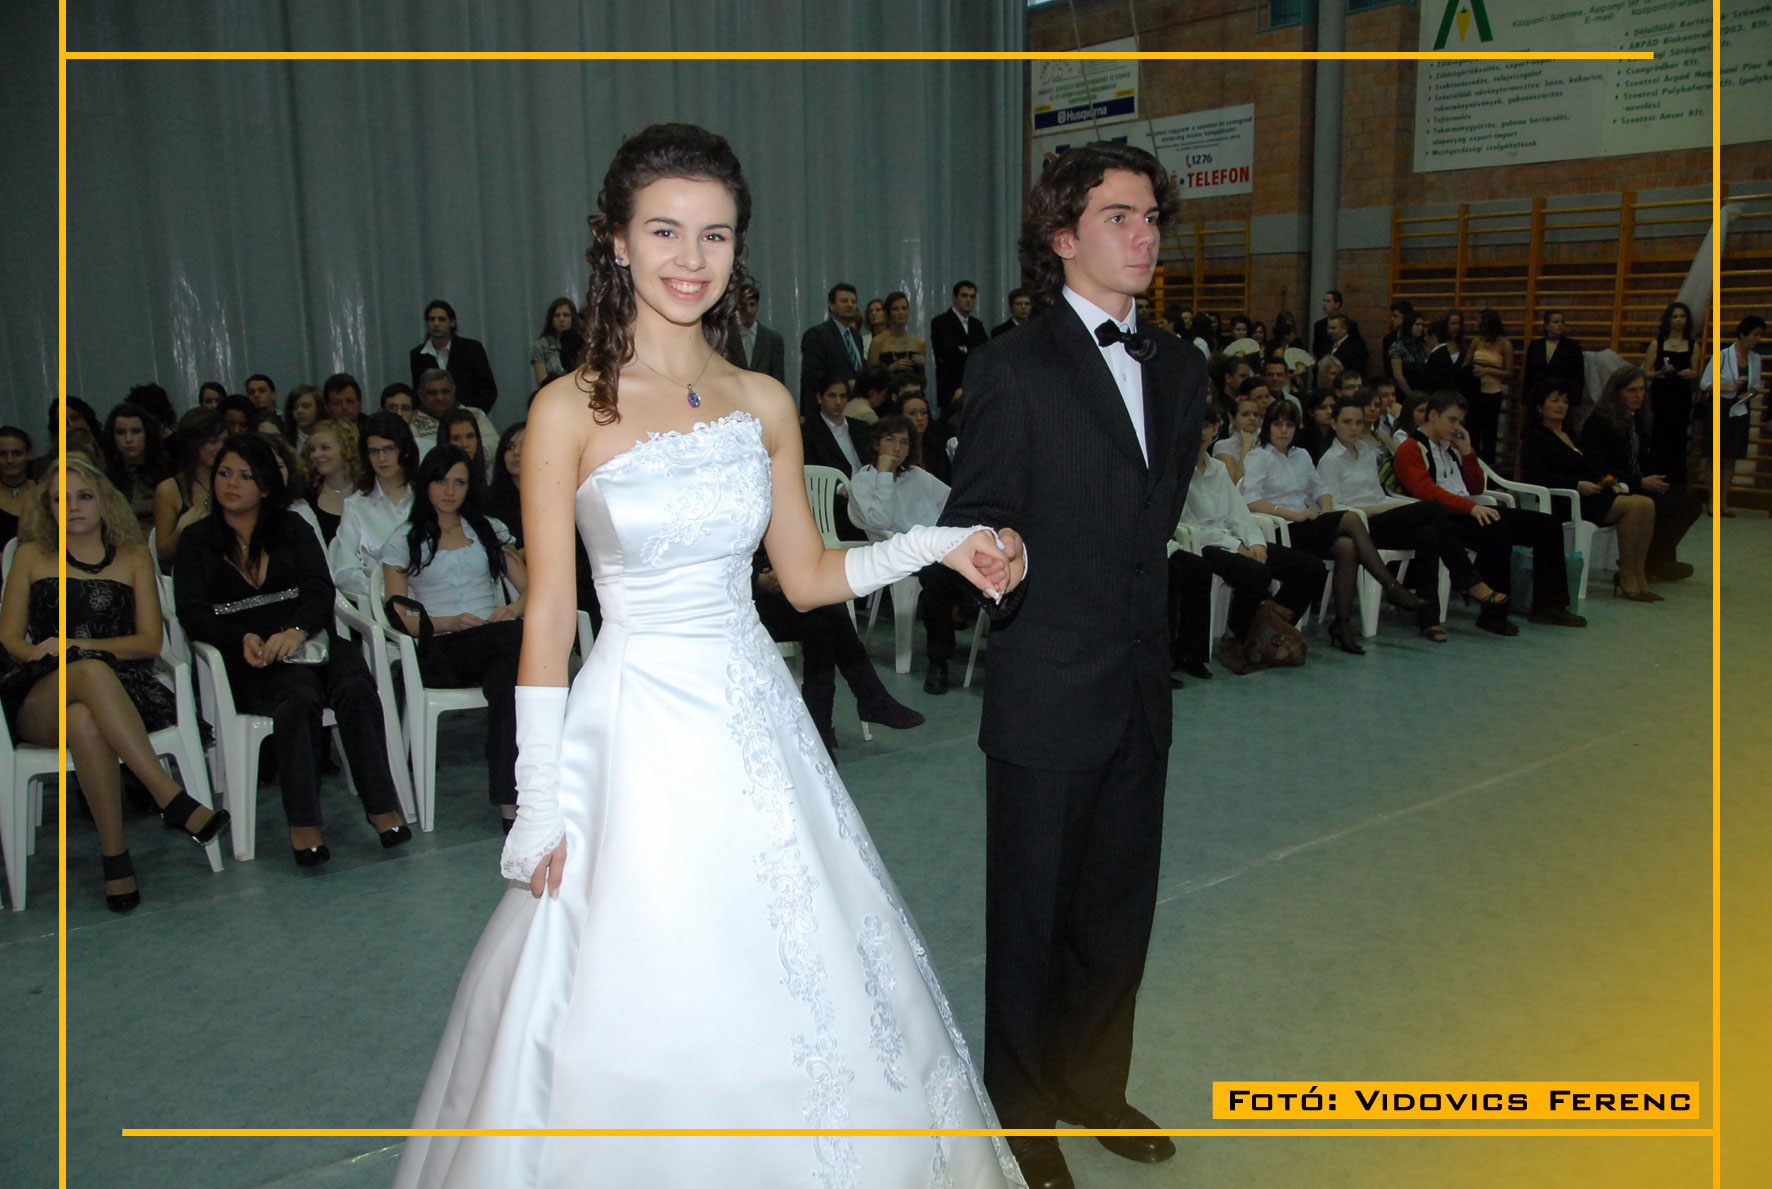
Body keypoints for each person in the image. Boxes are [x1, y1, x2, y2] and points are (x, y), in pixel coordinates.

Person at [395, 122, 1021, 1187]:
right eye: (665, 231)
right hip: (634, 724)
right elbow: (547, 615)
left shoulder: (762, 398)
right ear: (616, 242)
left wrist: (935, 543)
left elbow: (806, 575)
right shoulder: (566, 407)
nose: (691, 259)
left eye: (715, 235)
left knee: (799, 960)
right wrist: (537, 797)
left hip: (753, 719)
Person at [936, 138, 1207, 1188]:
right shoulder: (1012, 366)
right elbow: (976, 513)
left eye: (1151, 219)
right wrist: (1000, 552)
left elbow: (1151, 521)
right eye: (1117, 217)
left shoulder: (1179, 367)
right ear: (1062, 238)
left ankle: (1097, 1085)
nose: (1143, 236)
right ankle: (1022, 1111)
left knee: (1115, 912)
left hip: (1138, 684)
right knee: (1032, 918)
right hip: (1047, 684)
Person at [0, 459, 230, 911]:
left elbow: (149, 642)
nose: (73, 507)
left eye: (84, 496)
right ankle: (169, 797)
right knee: (85, 673)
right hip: (40, 689)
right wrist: (43, 653)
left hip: (120, 692)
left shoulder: (133, 557)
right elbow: (8, 638)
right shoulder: (30, 555)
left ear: (104, 501)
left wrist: (81, 647)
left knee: (84, 718)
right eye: (60, 499)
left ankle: (116, 857)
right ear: (47, 508)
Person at [172, 434, 410, 866]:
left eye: (245, 476)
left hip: (308, 639)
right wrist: (239, 639)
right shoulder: (196, 539)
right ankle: (304, 822)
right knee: (299, 693)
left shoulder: (293, 527)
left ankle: (381, 806)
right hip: (250, 656)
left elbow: (320, 588)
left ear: (265, 485)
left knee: (355, 683)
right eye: (224, 473)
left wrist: (297, 630)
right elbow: (191, 611)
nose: (231, 484)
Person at [381, 445, 526, 831]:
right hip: (441, 648)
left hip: (496, 641)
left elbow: (531, 589)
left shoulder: (487, 530)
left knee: (507, 678)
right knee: (515, 644)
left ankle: (508, 801)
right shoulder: (405, 538)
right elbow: (398, 616)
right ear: (425, 484)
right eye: (441, 481)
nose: (450, 491)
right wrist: (450, 622)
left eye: (459, 482)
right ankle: (515, 794)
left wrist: (512, 609)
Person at [1239, 400, 1424, 654]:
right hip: (1280, 528)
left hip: (1307, 524)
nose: (1283, 430)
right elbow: (1251, 500)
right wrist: (1295, 514)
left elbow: (1321, 490)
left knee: (1347, 546)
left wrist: (1327, 516)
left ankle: (1342, 623)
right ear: (1267, 426)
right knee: (1350, 518)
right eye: (1277, 424)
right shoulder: (1259, 456)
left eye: (1289, 425)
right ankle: (1392, 587)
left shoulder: (1301, 455)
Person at [1317, 396, 1506, 641]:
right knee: (1432, 508)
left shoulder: (1366, 453)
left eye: (1358, 422)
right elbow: (1334, 509)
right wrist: (1385, 509)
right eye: (1347, 422)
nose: (1354, 428)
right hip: (1358, 526)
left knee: (1427, 533)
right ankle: (1467, 580)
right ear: (1334, 424)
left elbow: (1378, 495)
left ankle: (1429, 619)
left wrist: (1395, 506)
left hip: (1380, 515)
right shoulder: (1330, 460)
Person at [1394, 391, 1586, 629]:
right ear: (1433, 415)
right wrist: (1471, 507)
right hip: (1442, 518)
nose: (1457, 427)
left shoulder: (1452, 446)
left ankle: (1549, 606)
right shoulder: (1411, 449)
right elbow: (1426, 492)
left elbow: (1476, 487)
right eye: (1452, 420)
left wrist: (1468, 452)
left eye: (1460, 421)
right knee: (1498, 530)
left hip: (1468, 508)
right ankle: (1493, 614)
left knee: (1548, 525)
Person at [1171, 416, 1325, 675]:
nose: (1201, 433)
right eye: (1195, 425)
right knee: (1257, 573)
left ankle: (1264, 630)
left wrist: (1255, 543)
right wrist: (1237, 546)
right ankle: (1237, 638)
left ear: (1215, 429)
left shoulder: (1218, 469)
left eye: (1206, 426)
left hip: (1233, 537)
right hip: (1204, 543)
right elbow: (1185, 525)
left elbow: (1238, 512)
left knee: (1312, 568)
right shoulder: (1176, 470)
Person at [848, 415, 970, 694]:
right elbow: (880, 521)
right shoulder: (862, 481)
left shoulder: (917, 476)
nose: (897, 448)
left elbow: (953, 501)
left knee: (959, 566)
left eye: (904, 442)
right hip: (898, 552)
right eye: (890, 440)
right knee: (938, 575)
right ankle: (938, 660)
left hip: (936, 548)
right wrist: (884, 475)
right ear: (876, 443)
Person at [1517, 380, 1659, 600]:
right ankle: (1627, 575)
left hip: (1591, 494)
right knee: (1633, 506)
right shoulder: (1536, 436)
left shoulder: (1570, 434)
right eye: (1554, 400)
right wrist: (1576, 485)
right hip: (1565, 499)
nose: (1561, 406)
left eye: (1565, 401)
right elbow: (1535, 475)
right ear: (1539, 406)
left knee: (1646, 504)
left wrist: (1610, 482)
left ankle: (1638, 573)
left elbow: (1592, 467)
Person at [1579, 366, 1700, 581]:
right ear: (1617, 392)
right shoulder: (1599, 421)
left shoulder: (1637, 418)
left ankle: (1655, 559)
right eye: (1632, 390)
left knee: (1689, 501)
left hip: (1637, 481)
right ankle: (1650, 562)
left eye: (1642, 389)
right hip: (1613, 485)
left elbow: (1642, 458)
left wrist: (1653, 479)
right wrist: (1640, 482)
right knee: (1665, 505)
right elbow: (1598, 467)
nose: (1639, 395)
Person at [329, 412, 419, 598]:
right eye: (373, 451)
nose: (382, 458)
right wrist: (384, 593)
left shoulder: (428, 496)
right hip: (384, 603)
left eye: (389, 449)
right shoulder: (356, 506)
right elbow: (345, 571)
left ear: (405, 449)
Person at [1698, 315, 1767, 517]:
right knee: (1715, 456)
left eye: (1760, 335)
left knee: (1731, 457)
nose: (1758, 339)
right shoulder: (1722, 356)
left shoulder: (1756, 359)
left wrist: (1750, 393)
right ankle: (1712, 500)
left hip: (1741, 408)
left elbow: (1756, 385)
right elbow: (1705, 384)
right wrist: (1730, 387)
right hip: (1721, 406)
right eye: (1755, 334)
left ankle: (1724, 501)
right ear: (1742, 334)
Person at [152, 407, 229, 570]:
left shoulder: (233, 482)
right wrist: (182, 529)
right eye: (213, 441)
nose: (221, 447)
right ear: (192, 444)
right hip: (190, 571)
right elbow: (163, 552)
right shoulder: (169, 489)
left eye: (224, 440)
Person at [1643, 301, 1703, 483]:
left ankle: (1676, 480)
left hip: (1681, 396)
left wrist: (1692, 373)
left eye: (1682, 316)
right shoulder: (1657, 344)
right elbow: (1646, 373)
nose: (1678, 320)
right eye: (1675, 316)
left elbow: (1697, 374)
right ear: (1668, 320)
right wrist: (1661, 372)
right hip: (1661, 396)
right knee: (1659, 435)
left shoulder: (1693, 345)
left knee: (1678, 437)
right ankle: (1656, 475)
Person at [410, 299, 499, 412]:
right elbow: (419, 392)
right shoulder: (418, 355)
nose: (436, 324)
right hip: (433, 417)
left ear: (452, 322)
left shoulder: (472, 349)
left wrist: (473, 415)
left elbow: (488, 390)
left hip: (468, 415)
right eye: (432, 319)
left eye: (441, 319)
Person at [798, 281, 866, 418]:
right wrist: (846, 384)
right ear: (831, 305)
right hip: (824, 411)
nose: (850, 305)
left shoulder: (856, 336)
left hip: (853, 409)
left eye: (853, 301)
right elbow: (812, 375)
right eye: (844, 301)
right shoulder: (817, 334)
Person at [102, 400, 168, 536]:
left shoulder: (168, 471)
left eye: (136, 431)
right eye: (120, 432)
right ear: (112, 436)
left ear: (147, 433)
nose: (129, 439)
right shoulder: (104, 478)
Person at [411, 368, 497, 460]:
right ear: (421, 395)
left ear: (454, 391)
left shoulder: (475, 414)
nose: (439, 397)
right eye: (432, 393)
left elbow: (493, 444)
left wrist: (466, 460)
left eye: (445, 391)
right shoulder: (413, 420)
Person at [931, 279, 990, 412]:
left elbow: (986, 352)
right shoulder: (940, 322)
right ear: (955, 297)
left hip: (975, 387)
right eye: (964, 295)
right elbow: (948, 354)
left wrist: (964, 349)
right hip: (951, 388)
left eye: (972, 296)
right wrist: (973, 351)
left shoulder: (977, 325)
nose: (968, 300)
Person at [300, 417, 358, 545]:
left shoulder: (368, 490)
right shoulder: (307, 494)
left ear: (347, 448)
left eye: (325, 448)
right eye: (312, 449)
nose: (316, 455)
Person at [1466, 308, 1513, 465]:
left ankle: (1488, 467)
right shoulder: (1476, 341)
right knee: (1473, 431)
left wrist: (1487, 370)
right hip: (1475, 391)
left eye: (1480, 322)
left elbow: (1509, 372)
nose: (1477, 325)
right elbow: (1466, 364)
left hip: (1493, 392)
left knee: (1490, 433)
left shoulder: (1504, 344)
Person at [722, 282, 786, 384]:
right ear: (737, 307)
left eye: (752, 304)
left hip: (764, 392)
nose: (748, 310)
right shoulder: (726, 338)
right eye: (743, 305)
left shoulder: (772, 340)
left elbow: (778, 380)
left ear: (757, 305)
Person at [1523, 309, 1585, 410]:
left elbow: (1578, 375)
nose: (1560, 324)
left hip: (1562, 395)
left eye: (1562, 322)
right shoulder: (1535, 346)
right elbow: (1528, 374)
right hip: (1538, 395)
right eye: (1556, 322)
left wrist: (1575, 400)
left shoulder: (1572, 346)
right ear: (1546, 325)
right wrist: (1526, 399)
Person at [868, 289, 929, 382]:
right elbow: (870, 378)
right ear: (887, 313)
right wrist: (890, 368)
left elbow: (923, 380)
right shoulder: (878, 342)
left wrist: (920, 367)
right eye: (895, 309)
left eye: (904, 308)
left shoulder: (919, 343)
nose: (901, 312)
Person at [487, 421, 526, 553]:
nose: (516, 452)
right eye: (510, 446)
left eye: (525, 446)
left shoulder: (558, 499)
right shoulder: (488, 501)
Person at [530, 296, 581, 386]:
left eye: (566, 315)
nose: (561, 319)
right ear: (551, 320)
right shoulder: (541, 345)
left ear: (573, 318)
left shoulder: (581, 343)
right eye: (557, 316)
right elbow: (542, 382)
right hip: (551, 390)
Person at [0, 426, 36, 547]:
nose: (10, 460)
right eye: (2, 454)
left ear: (29, 454)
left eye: (17, 453)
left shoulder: (44, 491)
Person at [1213, 393, 1262, 483]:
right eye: (1245, 414)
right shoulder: (1223, 446)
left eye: (1256, 414)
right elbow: (1234, 483)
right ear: (1232, 419)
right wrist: (1246, 447)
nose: (1252, 418)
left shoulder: (1264, 444)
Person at [441, 406, 493, 482]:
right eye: (456, 438)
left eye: (470, 436)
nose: (465, 444)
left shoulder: (490, 476)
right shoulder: (436, 482)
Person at [1388, 307, 1429, 399]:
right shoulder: (1398, 346)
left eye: (1422, 325)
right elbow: (1398, 374)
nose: (1420, 328)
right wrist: (1410, 393)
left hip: (1422, 390)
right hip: (1405, 391)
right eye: (1417, 324)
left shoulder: (1422, 346)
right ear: (1409, 325)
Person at [283, 383, 321, 449]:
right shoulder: (284, 440)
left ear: (319, 408)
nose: (299, 411)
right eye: (295, 407)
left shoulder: (330, 436)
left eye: (306, 406)